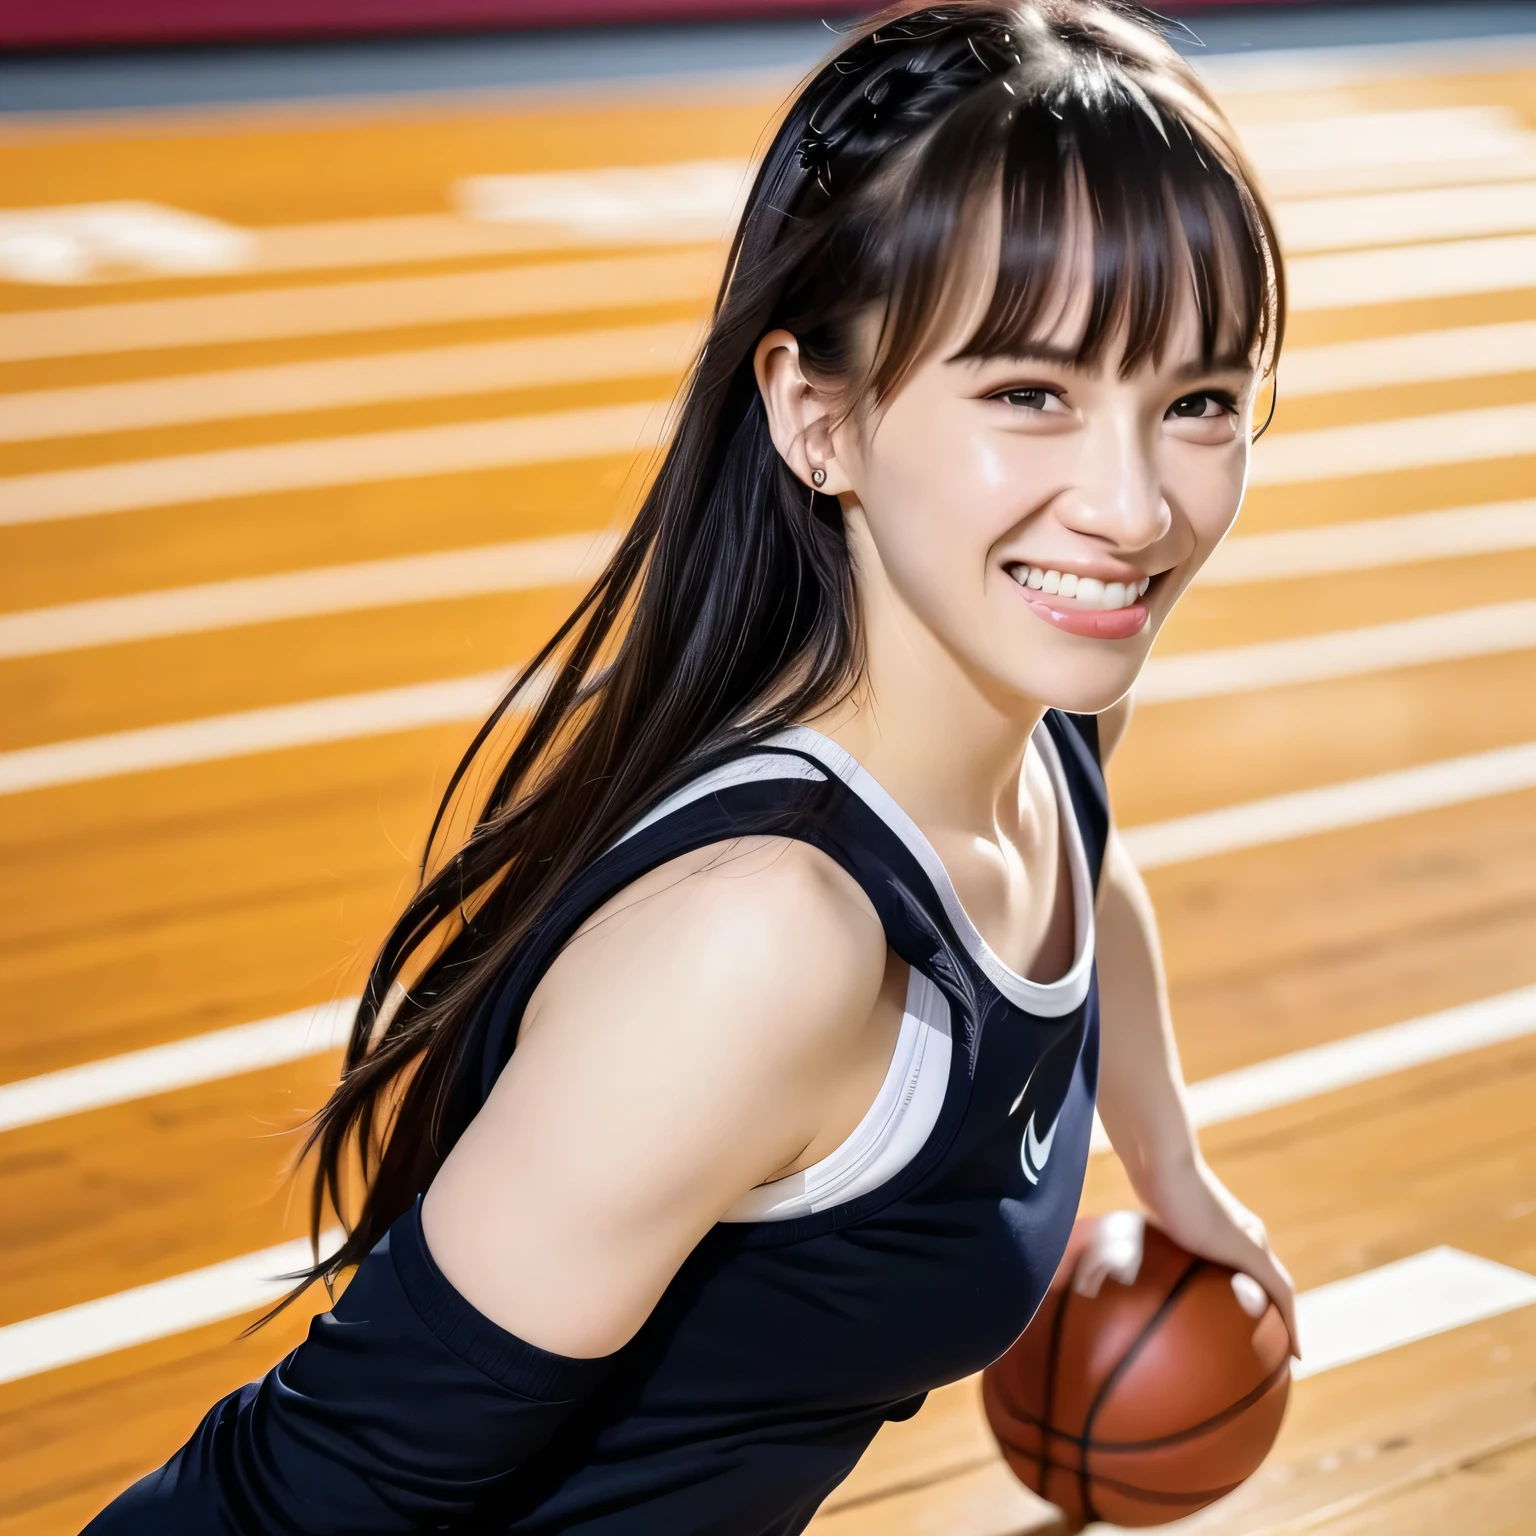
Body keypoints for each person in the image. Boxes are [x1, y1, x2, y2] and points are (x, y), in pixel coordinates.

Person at [87, 2, 1299, 1531]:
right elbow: (305, 1491)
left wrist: (1171, 1165)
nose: (1131, 508)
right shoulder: (762, 944)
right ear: (818, 418)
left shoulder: (1042, 724)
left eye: (1197, 401)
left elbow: (1086, 868)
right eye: (1027, 394)